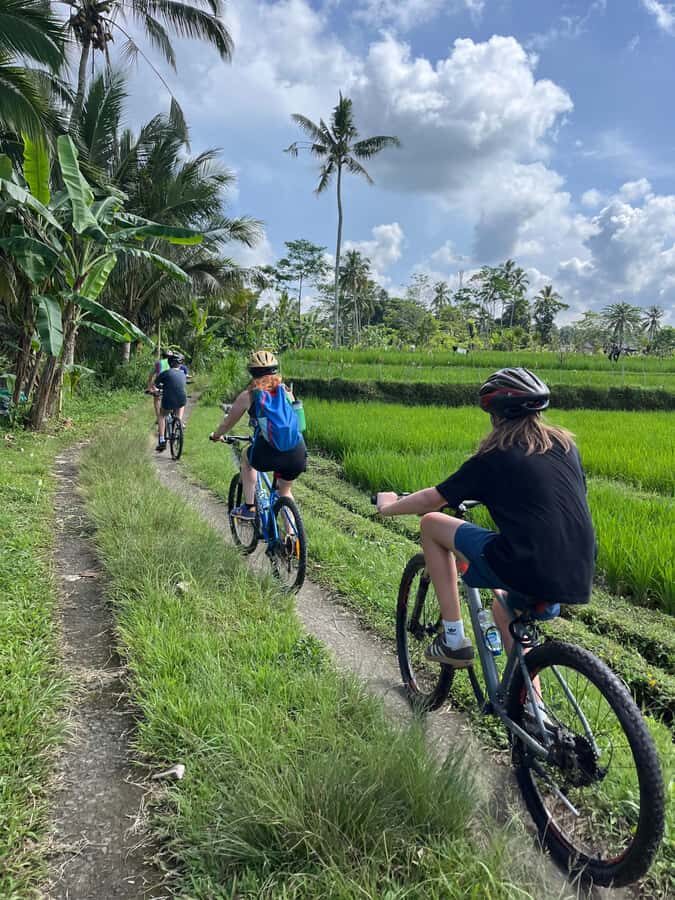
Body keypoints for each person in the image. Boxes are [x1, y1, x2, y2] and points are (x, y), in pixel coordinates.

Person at [376, 368, 596, 667]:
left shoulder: (495, 455)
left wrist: (388, 507)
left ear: (495, 414)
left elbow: (433, 500)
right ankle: (530, 696)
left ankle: (453, 639)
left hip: (526, 563)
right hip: (578, 569)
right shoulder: (565, 447)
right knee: (504, 611)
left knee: (431, 523)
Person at [209, 350, 307, 519]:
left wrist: (216, 435)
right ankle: (293, 535)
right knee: (284, 492)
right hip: (297, 450)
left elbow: (228, 423)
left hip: (270, 452)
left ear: (252, 373)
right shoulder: (287, 391)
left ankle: (249, 507)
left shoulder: (249, 396)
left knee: (246, 458)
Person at [153, 352, 187, 452]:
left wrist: (155, 391)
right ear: (180, 364)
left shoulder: (166, 373)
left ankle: (162, 440)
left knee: (162, 415)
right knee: (181, 405)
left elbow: (155, 384)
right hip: (181, 399)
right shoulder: (183, 373)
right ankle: (178, 422)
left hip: (168, 399)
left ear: (170, 363)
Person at [147, 350, 169, 423]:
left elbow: (151, 375)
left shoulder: (158, 363)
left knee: (157, 399)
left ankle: (158, 418)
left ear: (162, 356)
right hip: (170, 384)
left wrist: (149, 387)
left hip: (160, 384)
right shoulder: (173, 362)